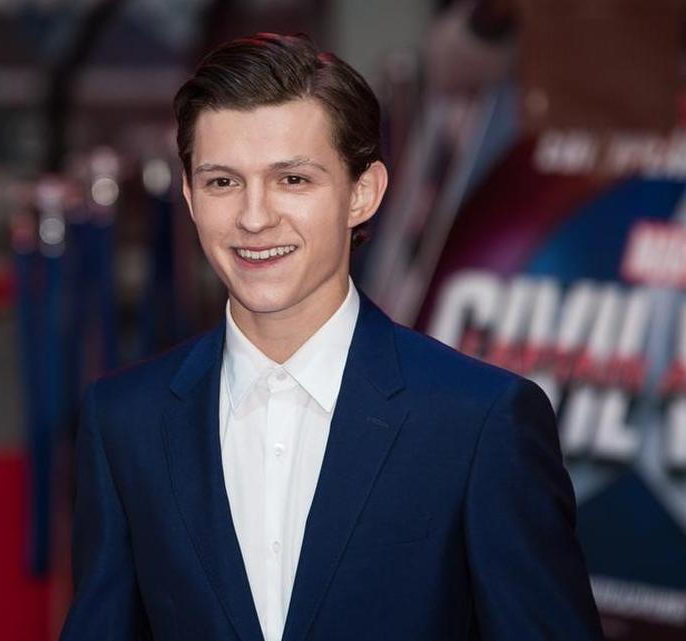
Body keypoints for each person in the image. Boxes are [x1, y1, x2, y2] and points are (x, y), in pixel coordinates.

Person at [58, 32, 602, 641]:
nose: (255, 217)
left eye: (292, 180)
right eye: (222, 182)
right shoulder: (125, 421)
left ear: (362, 193)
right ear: (188, 195)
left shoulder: (479, 421)